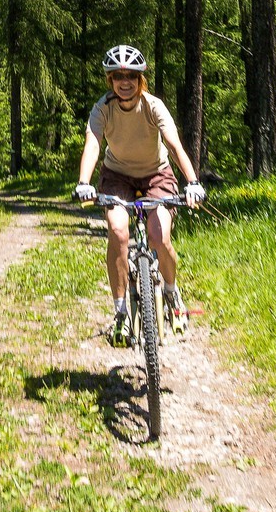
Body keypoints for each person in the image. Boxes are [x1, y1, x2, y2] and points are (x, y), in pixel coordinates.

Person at [74, 43, 205, 344]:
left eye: (131, 76)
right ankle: (121, 312)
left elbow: (173, 144)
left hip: (157, 174)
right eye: (118, 76)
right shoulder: (102, 109)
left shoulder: (153, 106)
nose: (125, 82)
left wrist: (193, 182)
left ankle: (171, 292)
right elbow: (93, 144)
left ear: (140, 79)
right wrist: (84, 182)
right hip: (117, 175)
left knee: (159, 236)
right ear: (110, 79)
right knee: (119, 232)